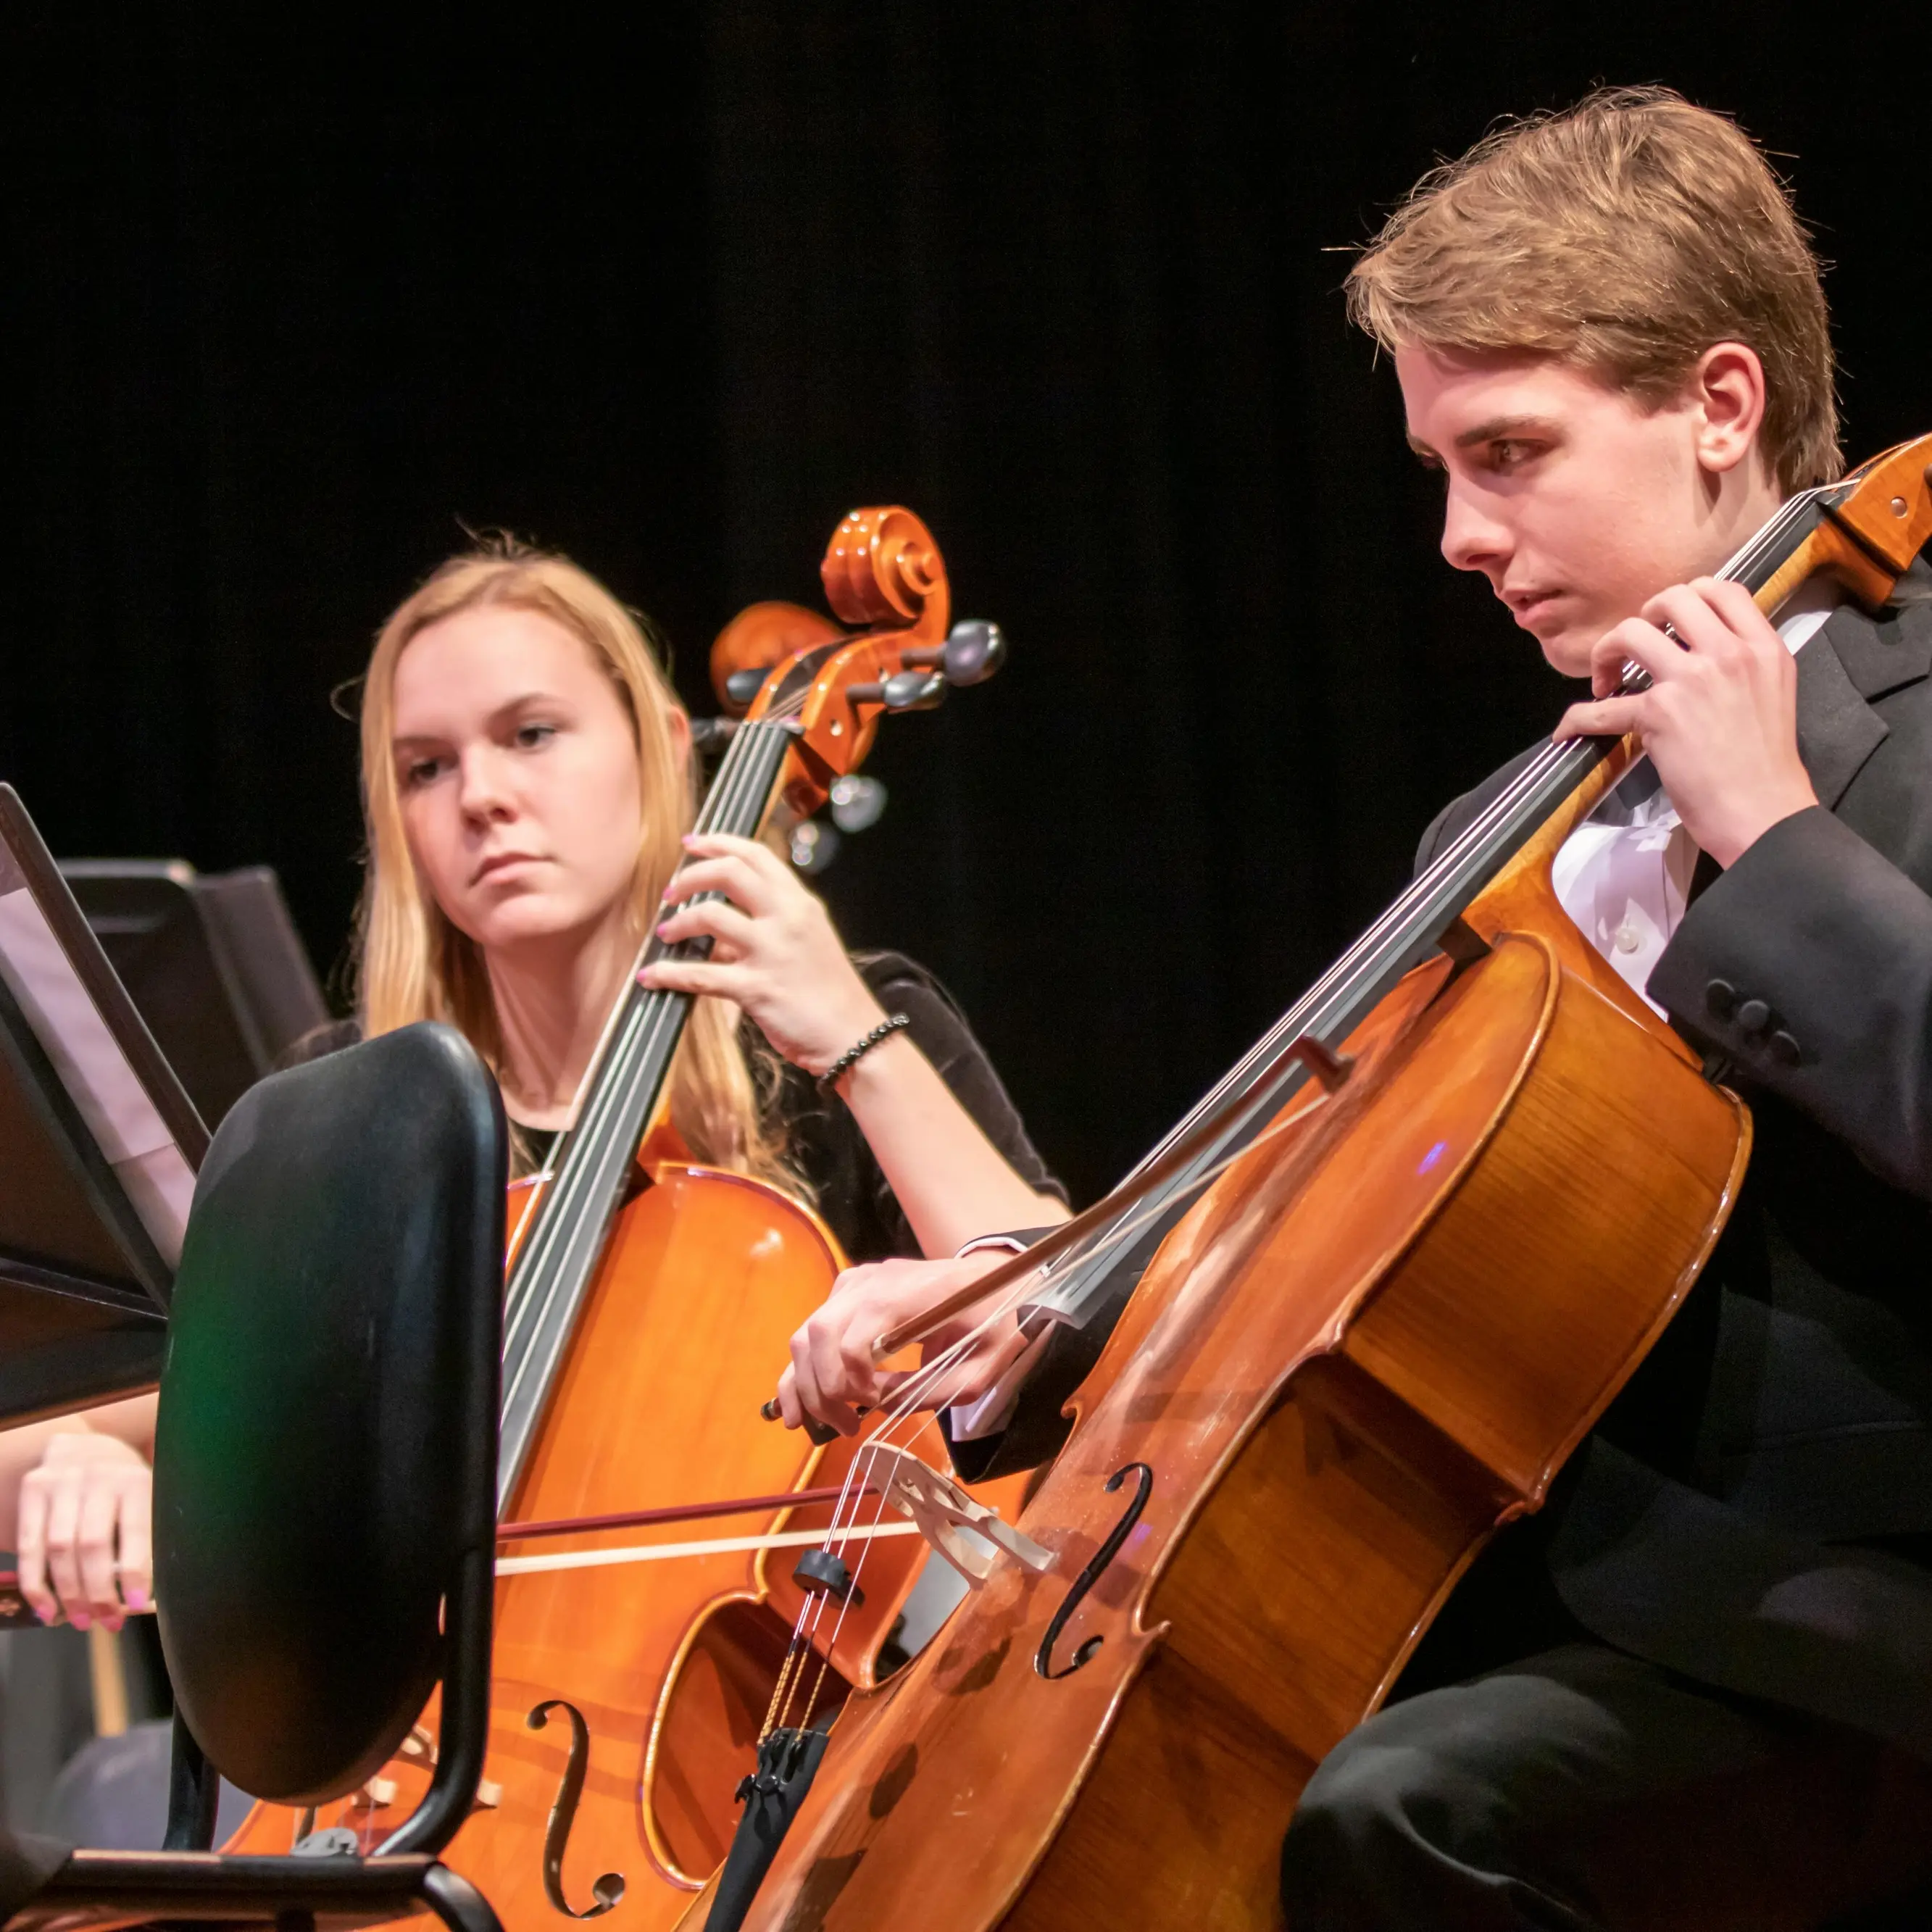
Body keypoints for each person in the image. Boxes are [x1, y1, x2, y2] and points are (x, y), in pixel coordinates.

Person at [773, 89, 1932, 1925]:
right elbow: (1316, 1219)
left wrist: (1770, 838)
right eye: (1439, 472)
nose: (1461, 535)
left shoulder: (1917, 707)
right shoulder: (1491, 829)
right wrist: (1043, 1301)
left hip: (1833, 1637)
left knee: (1388, 1814)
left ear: (1721, 405)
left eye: (1513, 452)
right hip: (1503, 1591)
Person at [5, 538, 1068, 1634]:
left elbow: (1069, 1322)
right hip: (405, 1761)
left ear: (659, 747)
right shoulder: (352, 1105)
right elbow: (146, 1422)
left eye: (531, 735)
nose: (482, 796)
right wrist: (97, 1460)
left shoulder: (846, 1023)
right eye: (427, 766)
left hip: (782, 1733)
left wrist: (856, 1040)